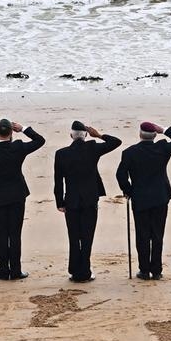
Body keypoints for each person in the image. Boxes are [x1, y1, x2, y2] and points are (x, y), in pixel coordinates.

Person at [115, 122, 171, 279]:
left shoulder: (129, 153)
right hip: (160, 197)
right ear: (155, 135)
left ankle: (144, 270)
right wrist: (165, 130)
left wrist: (128, 191)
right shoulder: (162, 149)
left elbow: (121, 175)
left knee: (142, 236)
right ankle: (157, 271)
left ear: (140, 134)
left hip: (140, 198)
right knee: (157, 235)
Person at [53, 121, 120, 282]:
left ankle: (75, 271)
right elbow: (116, 142)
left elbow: (58, 181)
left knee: (74, 237)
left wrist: (59, 202)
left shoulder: (61, 153)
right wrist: (99, 135)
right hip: (90, 199)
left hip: (71, 200)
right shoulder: (93, 148)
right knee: (87, 237)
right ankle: (85, 271)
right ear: (86, 135)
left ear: (71, 136)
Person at [0, 118, 45, 280]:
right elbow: (40, 140)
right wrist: (24, 129)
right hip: (17, 195)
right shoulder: (19, 147)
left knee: (1, 235)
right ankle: (16, 270)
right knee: (15, 234)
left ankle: (3, 270)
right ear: (11, 132)